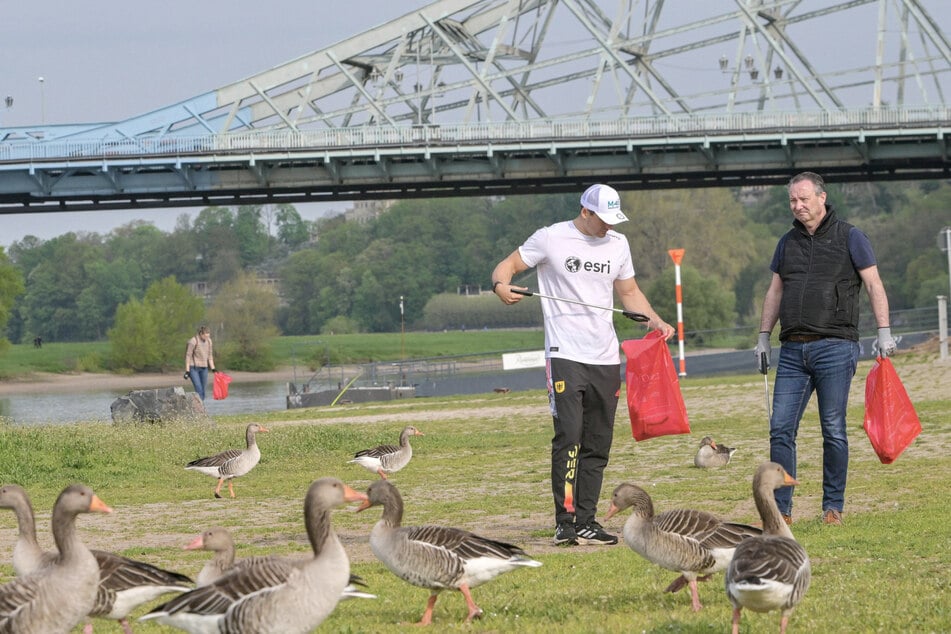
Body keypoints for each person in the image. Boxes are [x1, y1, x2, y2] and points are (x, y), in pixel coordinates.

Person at [491, 183, 675, 546]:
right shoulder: (550, 238)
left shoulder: (618, 244)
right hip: (564, 354)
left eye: (613, 220)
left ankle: (588, 520)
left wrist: (655, 320)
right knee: (569, 436)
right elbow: (508, 266)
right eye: (603, 219)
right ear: (585, 211)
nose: (608, 226)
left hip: (605, 357)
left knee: (598, 441)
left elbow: (629, 293)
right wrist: (500, 285)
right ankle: (565, 521)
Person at [755, 171, 896, 527]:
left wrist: (884, 331)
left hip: (836, 347)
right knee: (780, 429)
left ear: (822, 197)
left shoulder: (852, 236)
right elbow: (775, 292)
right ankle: (781, 510)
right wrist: (762, 336)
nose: (798, 206)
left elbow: (874, 284)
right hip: (792, 350)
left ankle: (832, 506)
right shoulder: (787, 243)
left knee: (832, 429)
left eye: (804, 199)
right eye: (792, 200)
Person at [185, 325, 217, 400]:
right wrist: (187, 371)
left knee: (203, 389)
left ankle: (200, 407)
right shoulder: (193, 341)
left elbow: (210, 355)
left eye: (208, 336)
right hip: (193, 367)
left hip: (204, 368)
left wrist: (213, 369)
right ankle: (200, 408)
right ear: (201, 334)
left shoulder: (209, 341)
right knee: (198, 388)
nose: (207, 338)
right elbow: (188, 356)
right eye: (205, 336)